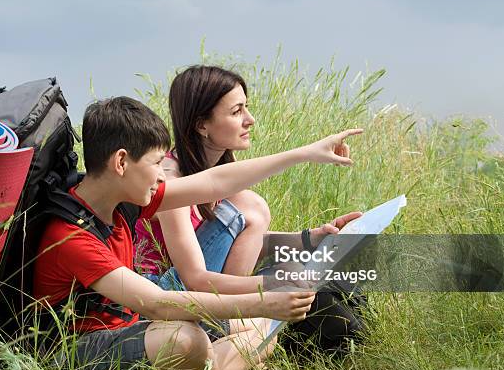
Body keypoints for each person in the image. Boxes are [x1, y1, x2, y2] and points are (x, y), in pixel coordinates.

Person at [33, 96, 361, 370]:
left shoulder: (119, 198)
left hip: (132, 330)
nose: (163, 176)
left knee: (263, 330)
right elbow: (158, 305)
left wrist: (303, 153)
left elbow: (215, 182)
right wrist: (263, 301)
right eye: (156, 163)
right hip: (75, 356)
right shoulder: (71, 236)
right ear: (121, 162)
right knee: (185, 339)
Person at [135, 65, 362, 295]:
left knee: (289, 268)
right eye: (236, 112)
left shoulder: (219, 168)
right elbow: (194, 279)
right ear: (202, 125)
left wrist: (311, 239)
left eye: (247, 108)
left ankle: (240, 319)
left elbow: (245, 245)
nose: (250, 119)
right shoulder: (171, 180)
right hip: (163, 292)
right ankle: (231, 319)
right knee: (252, 208)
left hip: (197, 283)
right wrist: (267, 288)